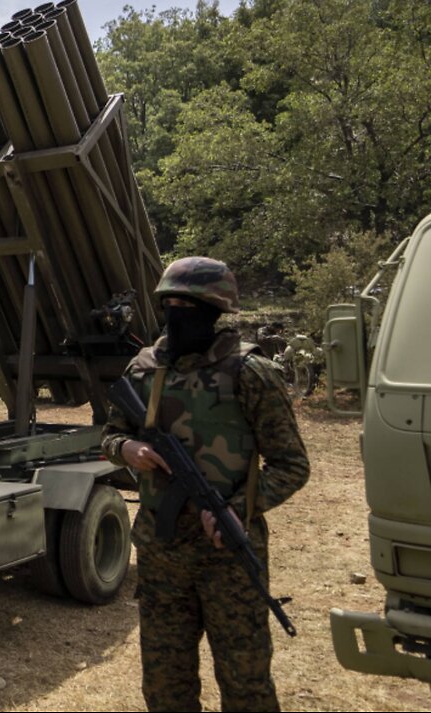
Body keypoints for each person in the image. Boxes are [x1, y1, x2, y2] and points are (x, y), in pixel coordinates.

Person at [101, 257, 310, 712]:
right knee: (165, 688)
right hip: (161, 554)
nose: (177, 312)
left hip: (227, 560)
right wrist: (126, 449)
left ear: (213, 311)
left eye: (188, 304)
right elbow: (111, 433)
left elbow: (291, 464)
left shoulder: (250, 373)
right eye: (169, 303)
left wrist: (236, 509)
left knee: (246, 685)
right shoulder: (143, 370)